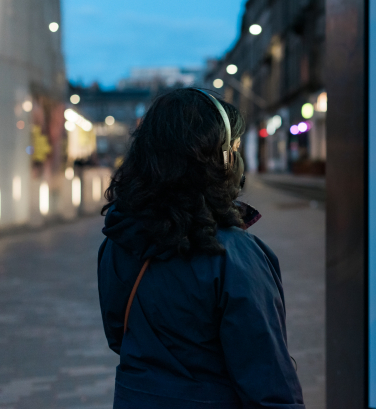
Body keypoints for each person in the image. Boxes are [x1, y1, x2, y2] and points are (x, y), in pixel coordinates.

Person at [97, 88, 304, 408]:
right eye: (233, 148)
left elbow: (118, 336)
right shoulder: (234, 255)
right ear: (218, 160)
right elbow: (268, 380)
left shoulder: (119, 238)